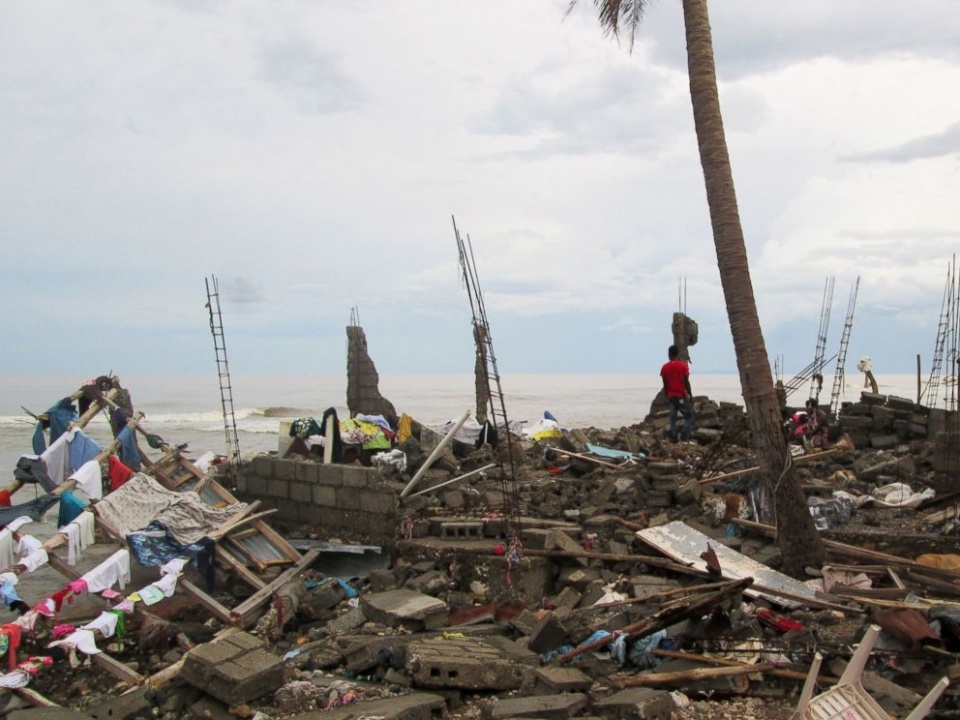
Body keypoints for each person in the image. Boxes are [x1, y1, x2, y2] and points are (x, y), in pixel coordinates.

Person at [660, 345, 694, 442]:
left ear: (669, 354)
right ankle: (684, 434)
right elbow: (686, 382)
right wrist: (690, 395)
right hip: (681, 396)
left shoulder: (664, 367)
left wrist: (667, 395)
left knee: (673, 418)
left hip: (671, 397)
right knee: (688, 416)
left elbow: (665, 384)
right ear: (677, 354)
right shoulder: (682, 366)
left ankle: (674, 437)